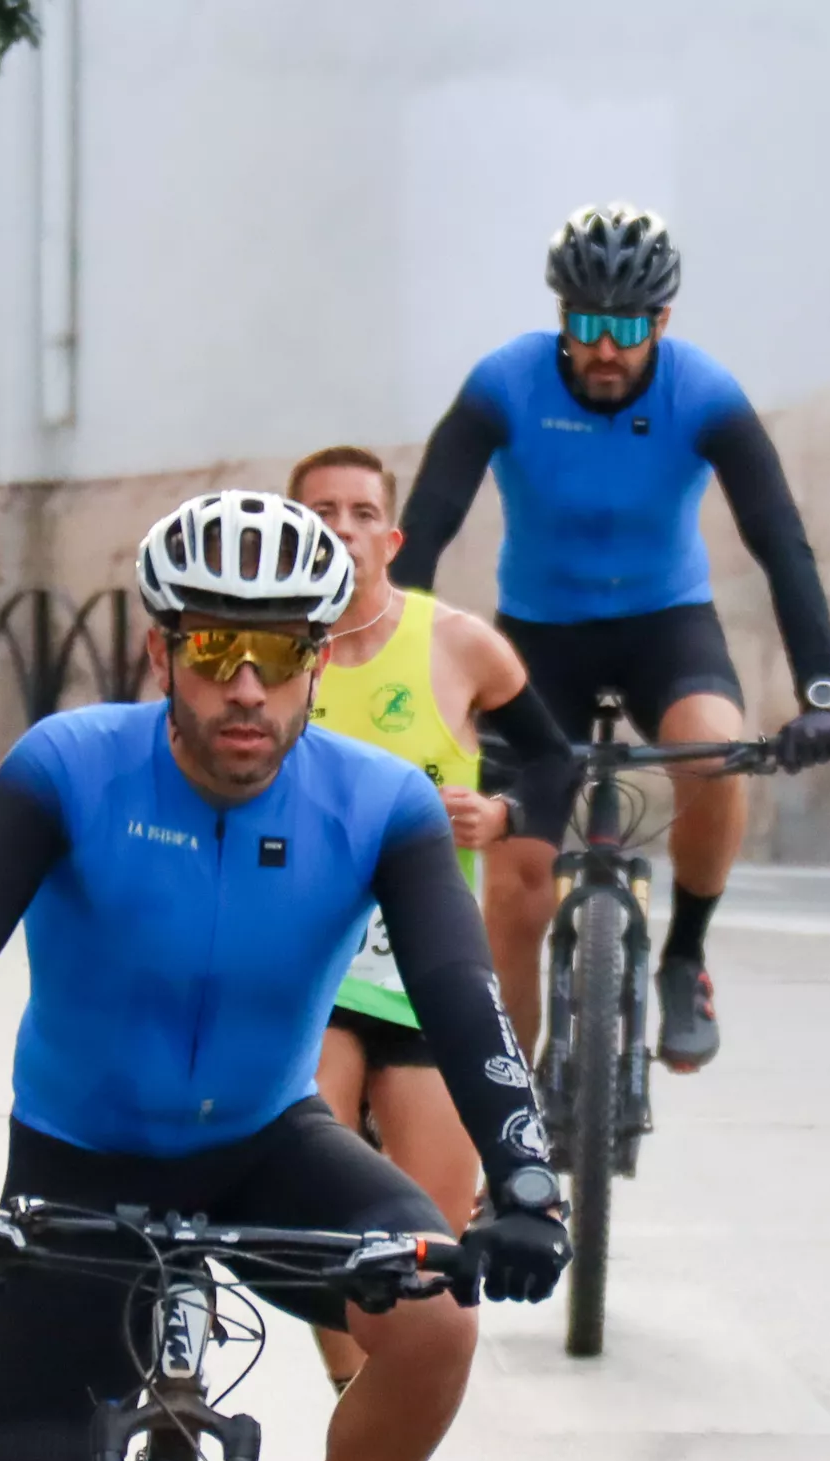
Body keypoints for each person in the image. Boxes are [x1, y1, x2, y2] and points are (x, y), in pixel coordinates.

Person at [0, 491, 572, 1461]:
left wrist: (528, 1180)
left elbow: (460, 997)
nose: (245, 687)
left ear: (316, 660)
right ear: (161, 651)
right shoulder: (68, 768)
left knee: (438, 1327)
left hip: (269, 1145)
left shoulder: (380, 803)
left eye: (275, 652)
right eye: (213, 647)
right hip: (78, 1160)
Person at [391, 202, 830, 1074]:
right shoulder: (505, 382)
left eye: (628, 327)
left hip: (664, 627)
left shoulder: (704, 392)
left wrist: (822, 689)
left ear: (663, 321)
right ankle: (509, 1123)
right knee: (518, 889)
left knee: (710, 750)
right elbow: (429, 523)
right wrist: (398, 650)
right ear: (560, 316)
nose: (607, 348)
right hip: (539, 642)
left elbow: (779, 539)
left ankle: (684, 956)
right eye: (588, 324)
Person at [292, 443, 575, 1394]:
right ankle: (350, 1400)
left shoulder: (457, 642)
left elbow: (552, 763)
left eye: (361, 511)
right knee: (311, 1217)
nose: (340, 527)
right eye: (321, 510)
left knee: (430, 1245)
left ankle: (381, 1406)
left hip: (426, 973)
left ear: (393, 535)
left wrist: (503, 816)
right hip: (308, 970)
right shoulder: (257, 652)